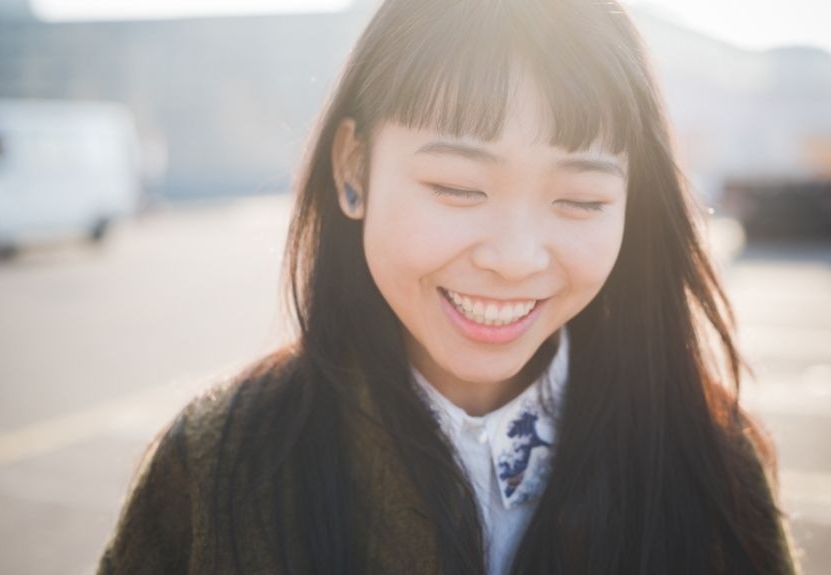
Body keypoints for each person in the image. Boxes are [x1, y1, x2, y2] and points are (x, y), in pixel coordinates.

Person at [97, 0, 802, 573]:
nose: (515, 257)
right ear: (353, 169)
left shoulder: (710, 462)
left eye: (581, 200)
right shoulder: (218, 463)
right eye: (458, 187)